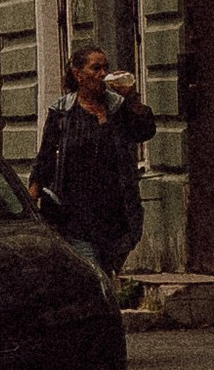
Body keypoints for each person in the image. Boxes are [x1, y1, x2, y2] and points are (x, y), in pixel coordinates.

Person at [30, 43, 156, 271]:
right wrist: (30, 203)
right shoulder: (63, 113)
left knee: (106, 277)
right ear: (78, 74)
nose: (102, 74)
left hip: (116, 217)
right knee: (94, 274)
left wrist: (130, 96)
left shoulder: (118, 108)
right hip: (75, 217)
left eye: (105, 68)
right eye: (95, 68)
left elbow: (145, 130)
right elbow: (45, 159)